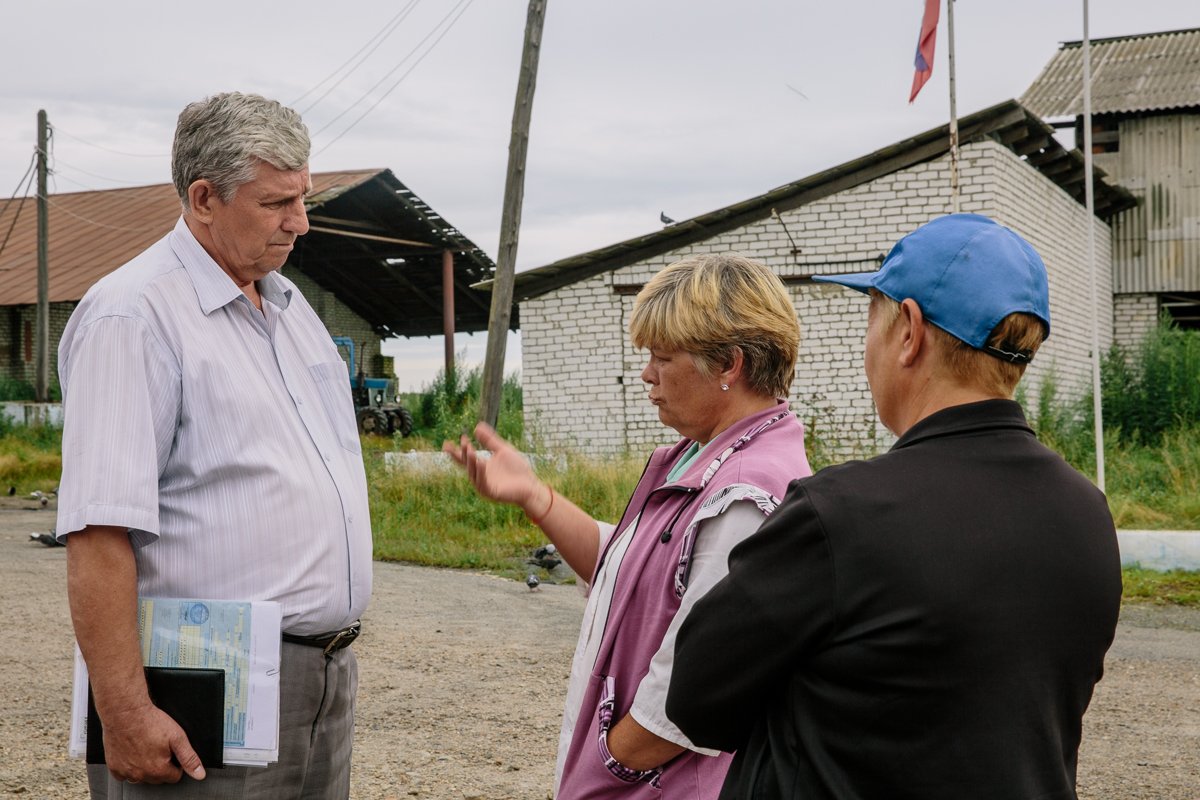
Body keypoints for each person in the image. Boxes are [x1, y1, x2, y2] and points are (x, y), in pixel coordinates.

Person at [666, 213, 1123, 799]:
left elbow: (697, 702)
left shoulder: (838, 514)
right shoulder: (1087, 513)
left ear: (908, 330)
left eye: (871, 317)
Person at [56, 92, 372, 797]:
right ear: (203, 198)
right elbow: (98, 532)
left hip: (322, 678)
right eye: (276, 203)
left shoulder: (293, 314)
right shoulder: (133, 317)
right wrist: (127, 708)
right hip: (201, 679)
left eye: (303, 198)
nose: (301, 223)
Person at [444, 254, 812, 798]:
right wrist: (535, 496)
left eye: (663, 356)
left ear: (729, 365)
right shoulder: (697, 458)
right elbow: (627, 570)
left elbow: (692, 691)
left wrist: (609, 764)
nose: (647, 374)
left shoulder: (744, 496)